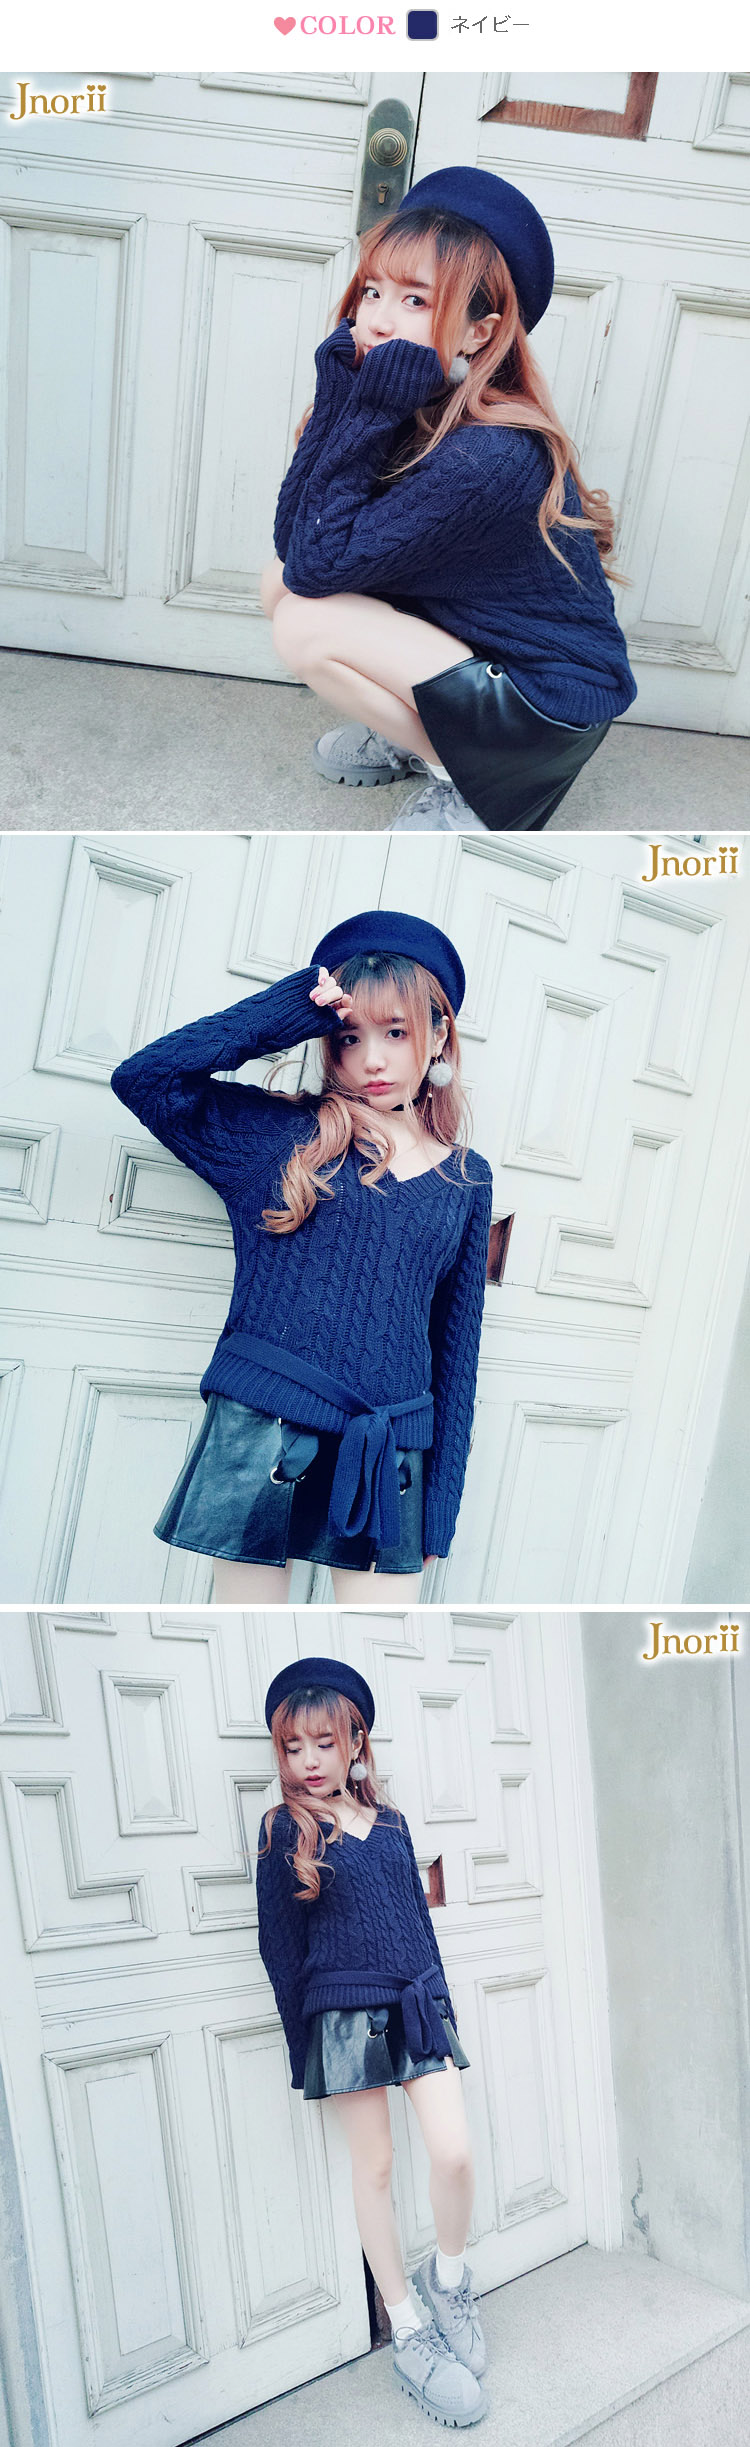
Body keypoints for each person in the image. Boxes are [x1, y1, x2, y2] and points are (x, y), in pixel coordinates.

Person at [110, 910, 492, 1603]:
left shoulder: (466, 1177)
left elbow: (456, 1351)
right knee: (247, 1628)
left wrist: (441, 1510)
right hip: (264, 1425)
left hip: (389, 1449)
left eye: (396, 1031)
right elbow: (145, 1079)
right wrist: (291, 1009)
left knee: (381, 1632)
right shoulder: (277, 1137)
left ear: (439, 1035)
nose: (372, 1059)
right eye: (349, 1036)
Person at [261, 164, 636, 835]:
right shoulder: (415, 401)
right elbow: (298, 543)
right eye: (372, 291)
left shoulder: (488, 456)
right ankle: (422, 733)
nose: (377, 321)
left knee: (303, 623)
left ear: (478, 333)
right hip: (479, 651)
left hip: (546, 704)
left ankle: (468, 778)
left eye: (415, 301)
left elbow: (316, 566)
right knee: (278, 583)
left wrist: (363, 403)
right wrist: (343, 397)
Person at [257, 1655, 488, 2426]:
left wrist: (443, 2004)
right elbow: (280, 1951)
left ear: (356, 1741)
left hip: (415, 1999)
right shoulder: (283, 1829)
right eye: (294, 1745)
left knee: (453, 2151)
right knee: (377, 2166)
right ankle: (409, 2328)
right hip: (342, 2015)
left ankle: (447, 2278)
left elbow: (417, 1923)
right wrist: (304, 2048)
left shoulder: (391, 1822)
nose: (309, 1760)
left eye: (325, 1742)